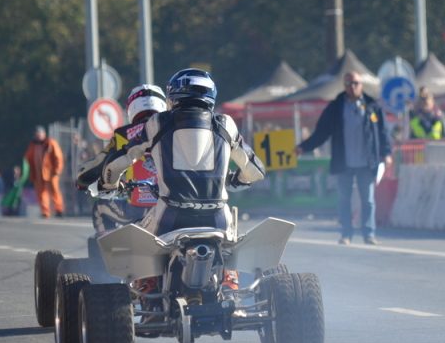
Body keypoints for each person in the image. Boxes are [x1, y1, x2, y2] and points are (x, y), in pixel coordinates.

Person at [89, 69, 265, 239]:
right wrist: (236, 180)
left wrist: (108, 184)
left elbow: (120, 160)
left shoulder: (158, 122)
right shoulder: (226, 124)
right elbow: (256, 170)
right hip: (218, 218)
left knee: (140, 253)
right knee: (230, 258)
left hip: (170, 217)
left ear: (172, 96)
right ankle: (229, 271)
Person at [296, 71, 393, 245]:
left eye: (355, 83)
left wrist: (386, 153)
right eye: (348, 84)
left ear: (361, 85)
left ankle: (369, 233)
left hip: (367, 161)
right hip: (344, 162)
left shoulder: (372, 106)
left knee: (368, 200)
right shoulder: (336, 107)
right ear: (344, 86)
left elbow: (384, 132)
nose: (352, 87)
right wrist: (304, 147)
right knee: (344, 199)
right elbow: (322, 132)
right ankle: (346, 234)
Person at [77, 84, 168, 234]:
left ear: (132, 107)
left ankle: (108, 254)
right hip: (170, 207)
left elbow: (99, 163)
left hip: (135, 209)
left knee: (100, 207)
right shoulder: (172, 130)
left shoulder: (122, 134)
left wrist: (82, 180)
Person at [24, 126, 65, 218]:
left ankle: (59, 209)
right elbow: (27, 159)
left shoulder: (51, 143)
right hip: (38, 174)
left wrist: (57, 170)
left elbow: (58, 157)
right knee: (41, 193)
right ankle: (45, 211)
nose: (38, 135)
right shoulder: (33, 145)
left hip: (51, 173)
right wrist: (28, 172)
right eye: (36, 134)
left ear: (44, 134)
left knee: (54, 191)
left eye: (40, 133)